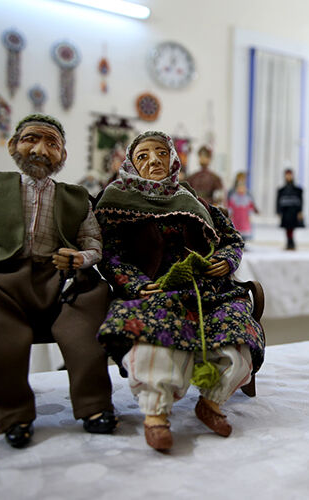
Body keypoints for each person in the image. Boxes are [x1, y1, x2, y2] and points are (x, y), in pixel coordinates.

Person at [94, 131, 265, 453]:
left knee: (237, 332)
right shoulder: (116, 201)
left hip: (206, 290)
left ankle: (211, 401)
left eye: (161, 153)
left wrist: (225, 260)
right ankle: (156, 413)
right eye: (143, 155)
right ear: (131, 163)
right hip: (153, 290)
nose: (154, 160)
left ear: (173, 159)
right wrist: (134, 282)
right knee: (155, 337)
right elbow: (110, 253)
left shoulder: (193, 200)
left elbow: (231, 238)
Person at [0, 113, 117, 448]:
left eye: (52, 143)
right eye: (31, 139)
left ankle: (94, 405)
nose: (41, 150)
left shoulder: (76, 198)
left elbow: (93, 243)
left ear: (63, 155)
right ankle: (13, 415)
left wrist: (80, 258)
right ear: (12, 145)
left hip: (62, 282)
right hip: (2, 281)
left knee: (89, 325)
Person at [276, 168, 304, 250]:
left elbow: (301, 202)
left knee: (292, 228)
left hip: (294, 212)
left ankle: (291, 242)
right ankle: (289, 242)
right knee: (287, 228)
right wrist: (278, 211)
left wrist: (300, 212)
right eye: (287, 175)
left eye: (290, 175)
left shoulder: (298, 190)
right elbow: (278, 201)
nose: (288, 177)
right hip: (285, 212)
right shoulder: (281, 190)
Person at [226, 172, 259, 241]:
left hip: (244, 216)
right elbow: (229, 204)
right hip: (236, 216)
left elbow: (251, 203)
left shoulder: (247, 193)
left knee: (245, 230)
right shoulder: (232, 192)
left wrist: (254, 210)